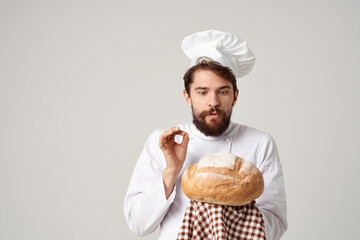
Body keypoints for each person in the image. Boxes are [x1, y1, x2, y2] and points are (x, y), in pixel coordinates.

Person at [124, 30, 288, 240]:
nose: (213, 102)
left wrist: (229, 213)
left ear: (235, 96)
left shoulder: (260, 143)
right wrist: (171, 171)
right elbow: (138, 224)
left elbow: (277, 224)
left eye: (223, 91)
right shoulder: (163, 142)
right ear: (187, 97)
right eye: (202, 92)